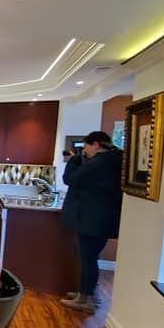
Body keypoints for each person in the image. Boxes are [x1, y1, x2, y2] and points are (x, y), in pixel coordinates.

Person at [60, 131, 123, 313]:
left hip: (91, 220)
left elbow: (70, 179)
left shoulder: (99, 163)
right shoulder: (113, 160)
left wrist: (74, 160)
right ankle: (86, 293)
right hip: (100, 219)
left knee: (87, 259)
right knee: (89, 257)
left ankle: (85, 299)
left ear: (96, 144)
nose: (85, 151)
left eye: (86, 146)